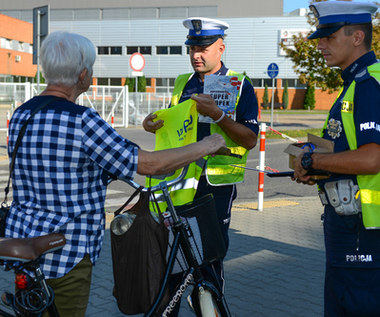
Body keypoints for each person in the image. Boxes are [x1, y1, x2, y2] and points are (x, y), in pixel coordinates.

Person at [5, 31, 225, 317]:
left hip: (24, 241)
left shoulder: (23, 114)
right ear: (83, 74)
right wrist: (204, 146)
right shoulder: (81, 119)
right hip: (66, 250)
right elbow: (149, 165)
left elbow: (52, 164)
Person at [143, 17, 259, 310]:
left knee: (208, 265)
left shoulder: (240, 84)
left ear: (221, 47)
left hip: (216, 187)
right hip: (179, 186)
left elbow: (249, 139)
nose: (196, 54)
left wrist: (218, 115)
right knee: (173, 265)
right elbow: (175, 126)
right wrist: (153, 125)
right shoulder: (184, 83)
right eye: (192, 47)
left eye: (203, 47)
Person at [292, 2, 380, 316]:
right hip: (349, 229)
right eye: (320, 37)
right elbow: (343, 148)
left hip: (364, 233)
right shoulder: (354, 85)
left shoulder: (369, 86)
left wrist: (312, 162)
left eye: (329, 36)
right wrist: (311, 160)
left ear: (358, 37)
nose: (321, 44)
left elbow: (372, 158)